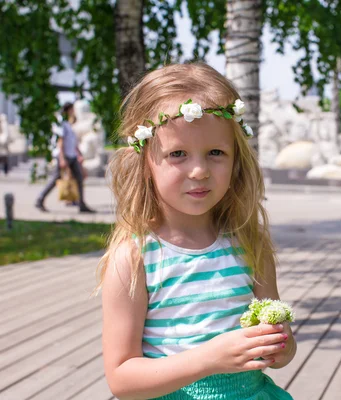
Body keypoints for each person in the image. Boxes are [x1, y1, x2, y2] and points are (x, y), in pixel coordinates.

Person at [95, 63, 296, 400]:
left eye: (216, 152)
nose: (199, 170)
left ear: (236, 160)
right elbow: (121, 377)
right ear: (146, 162)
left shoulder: (249, 244)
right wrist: (207, 359)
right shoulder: (134, 258)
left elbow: (282, 347)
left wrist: (279, 346)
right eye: (178, 154)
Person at [35, 102, 95, 213]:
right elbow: (60, 142)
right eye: (72, 110)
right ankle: (40, 199)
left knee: (79, 178)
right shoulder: (62, 124)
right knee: (55, 179)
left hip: (72, 156)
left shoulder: (68, 124)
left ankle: (81, 204)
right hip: (65, 156)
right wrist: (62, 159)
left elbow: (72, 142)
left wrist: (79, 153)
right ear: (69, 111)